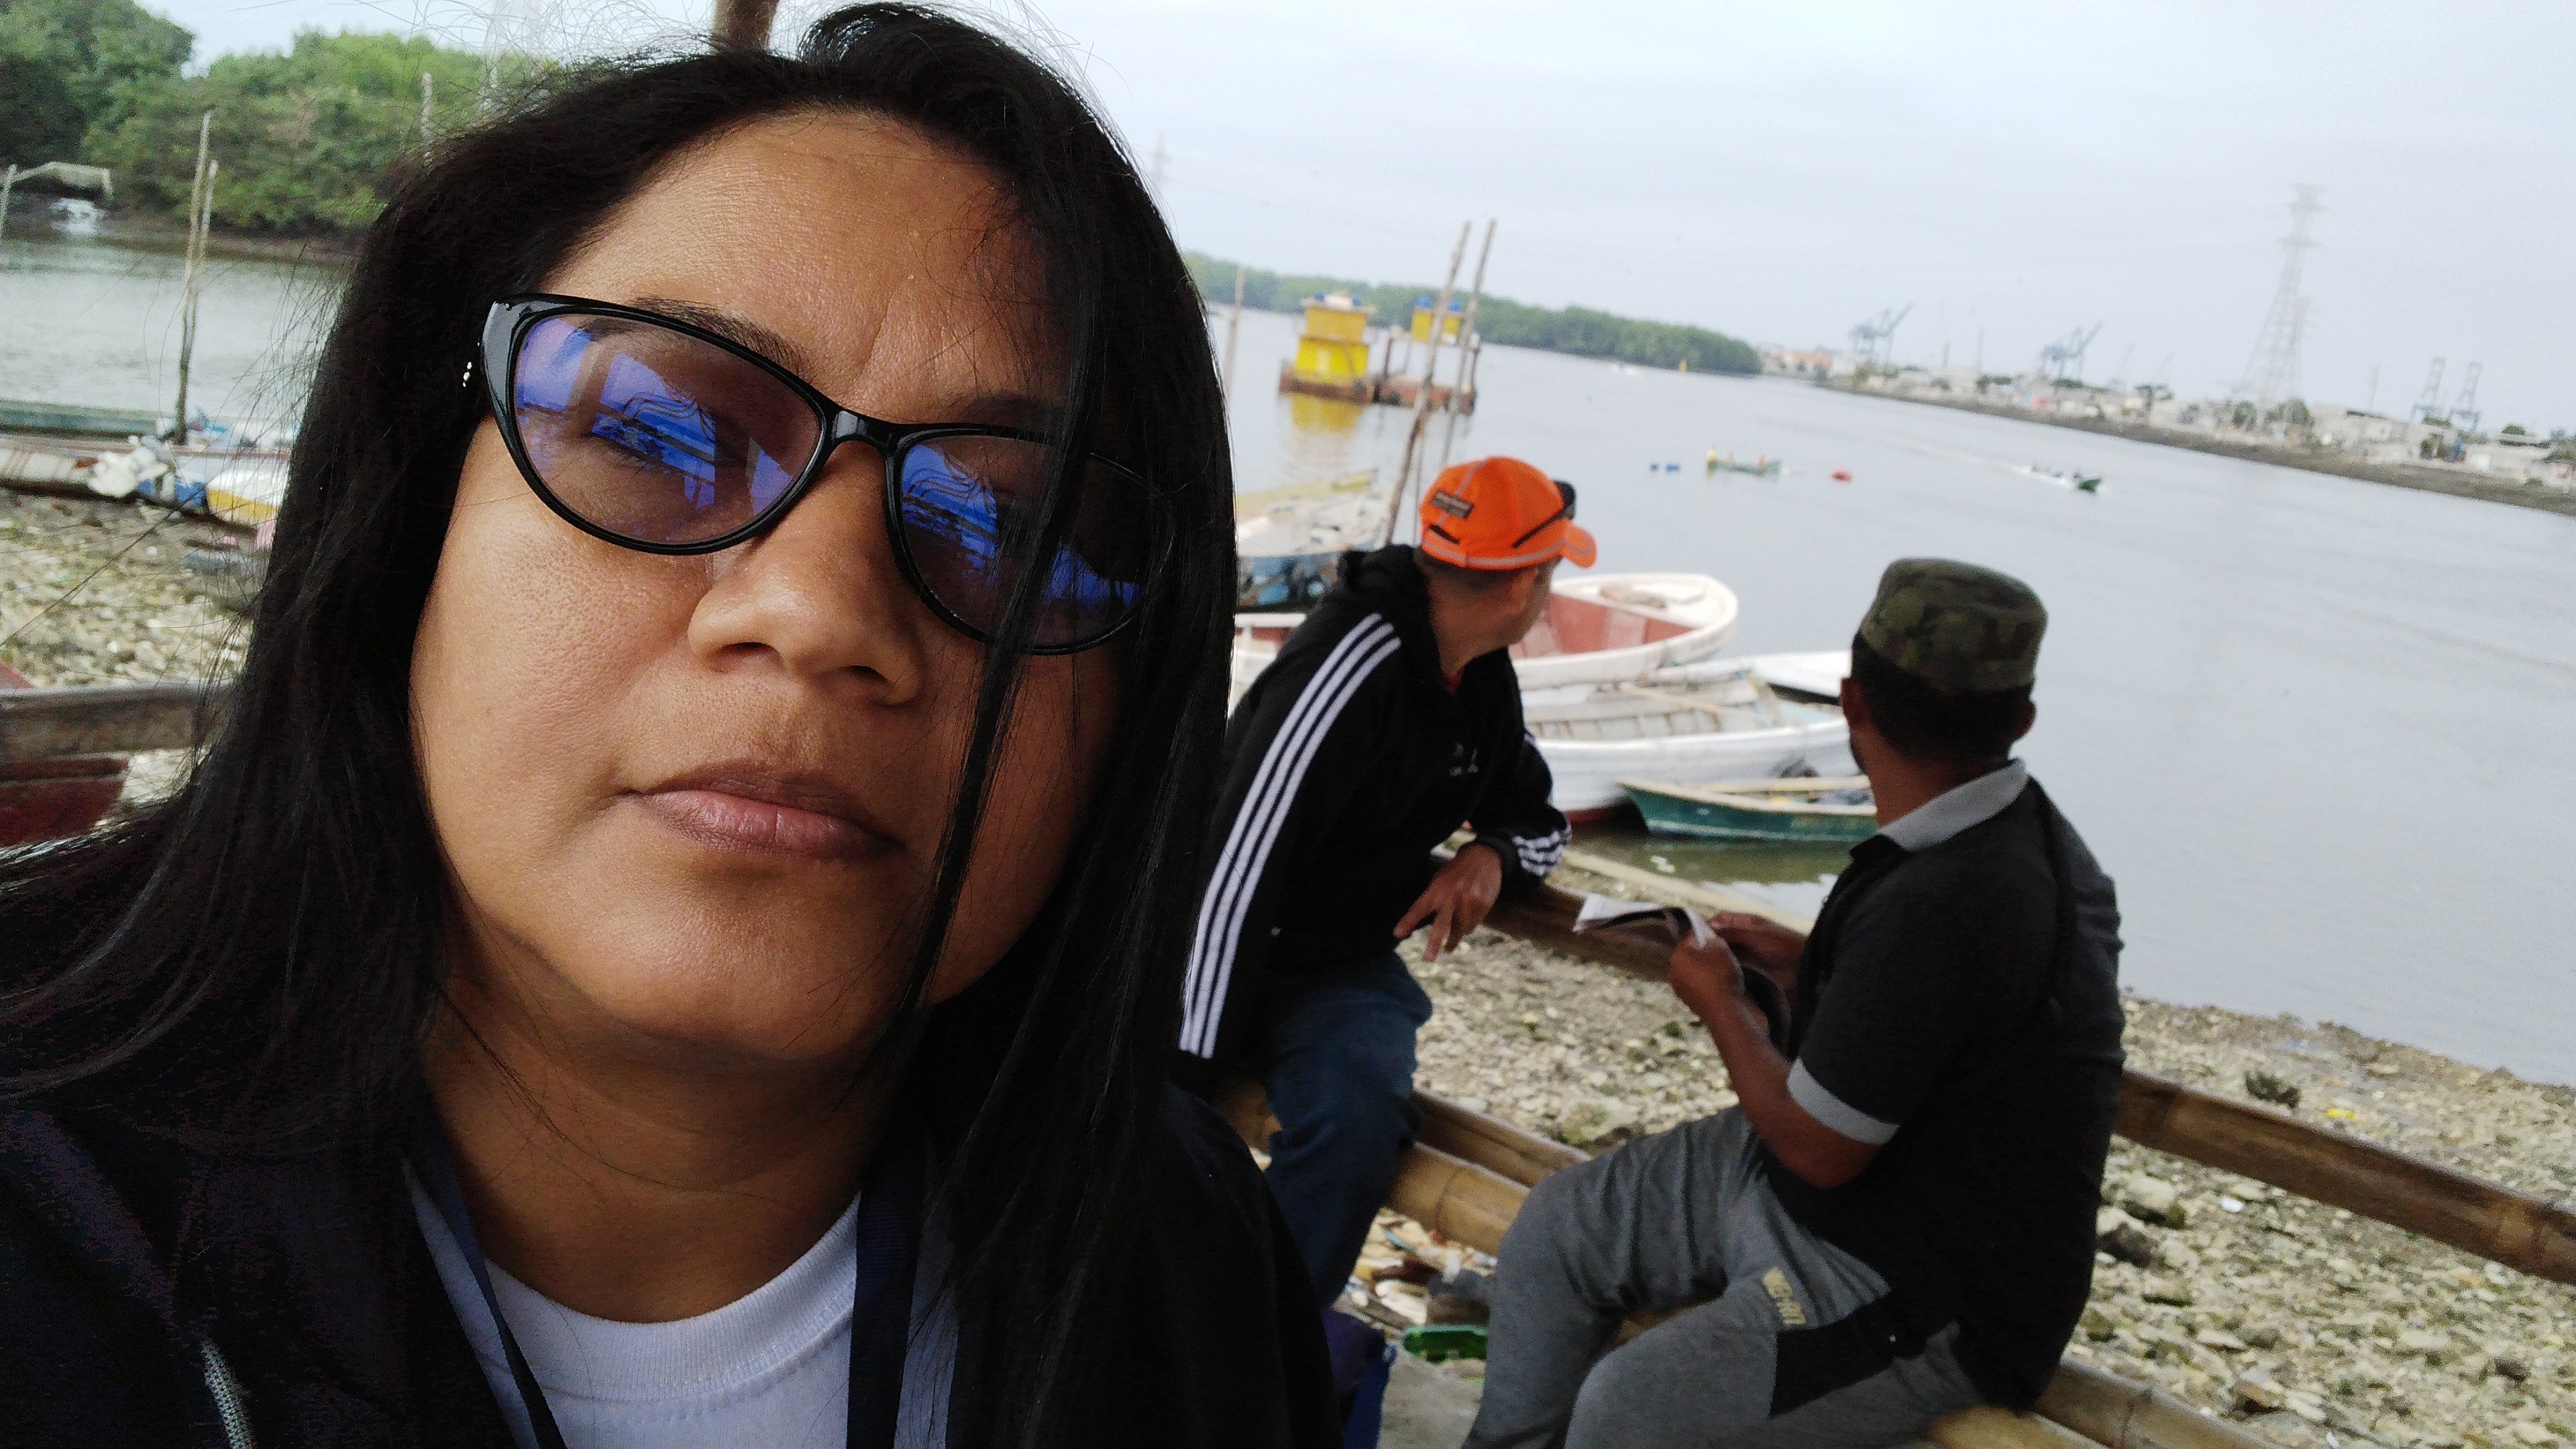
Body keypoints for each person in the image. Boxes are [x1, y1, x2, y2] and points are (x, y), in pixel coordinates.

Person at [0, 9, 1335, 1447]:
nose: (818, 611)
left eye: (1009, 528)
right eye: (654, 434)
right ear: (411, 519)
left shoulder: (1191, 1286)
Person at [1466, 559, 2126, 1449]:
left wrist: (1718, 1002)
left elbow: (1820, 1149)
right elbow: (1938, 1008)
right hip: (1810, 1185)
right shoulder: (2010, 842)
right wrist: (1821, 964)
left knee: (1630, 1411)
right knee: (1560, 1231)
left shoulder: (1952, 898)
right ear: (2021, 720)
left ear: (1851, 703)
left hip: (1918, 1280)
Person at [1177, 455, 1590, 1317]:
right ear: (1526, 584)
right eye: (1553, 574)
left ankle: (1264, 1348)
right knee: (1163, 1128)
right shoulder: (1348, 663)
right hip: (1199, 941)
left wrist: (1494, 856)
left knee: (1357, 1122)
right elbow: (1231, 872)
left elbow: (1542, 822)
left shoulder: (1482, 679)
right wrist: (1183, 1074)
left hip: (1337, 966)